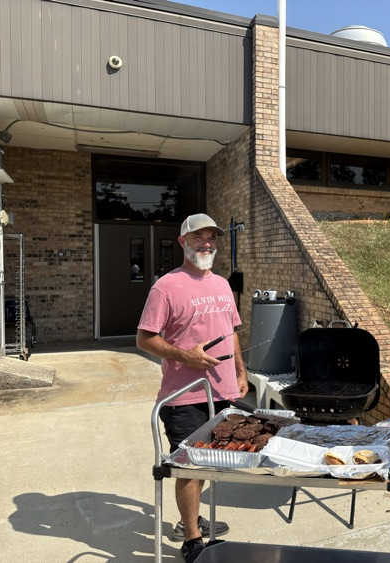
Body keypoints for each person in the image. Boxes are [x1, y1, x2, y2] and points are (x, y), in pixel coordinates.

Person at [137, 213, 249, 563]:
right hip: (183, 396)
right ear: (183, 241)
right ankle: (192, 539)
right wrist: (184, 356)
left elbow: (232, 331)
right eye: (199, 237)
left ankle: (191, 518)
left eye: (212, 238)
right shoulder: (166, 287)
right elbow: (144, 338)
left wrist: (241, 372)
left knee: (210, 464)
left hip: (224, 392)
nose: (207, 244)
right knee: (188, 466)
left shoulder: (221, 285)